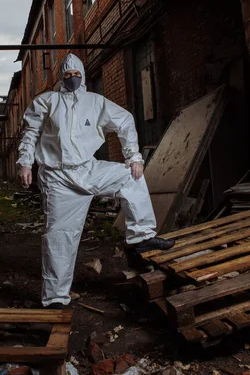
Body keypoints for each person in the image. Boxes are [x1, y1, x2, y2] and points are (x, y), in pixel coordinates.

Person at [17, 53, 174, 309]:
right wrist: (25, 163)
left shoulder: (95, 102)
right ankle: (56, 297)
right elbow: (30, 132)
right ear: (61, 78)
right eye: (67, 76)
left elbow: (124, 121)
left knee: (130, 177)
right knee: (60, 236)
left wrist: (133, 156)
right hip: (58, 177)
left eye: (77, 75)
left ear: (83, 76)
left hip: (88, 169)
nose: (72, 79)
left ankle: (140, 237)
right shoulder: (46, 102)